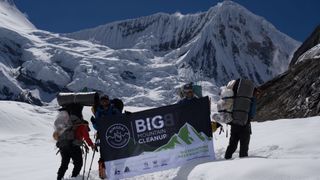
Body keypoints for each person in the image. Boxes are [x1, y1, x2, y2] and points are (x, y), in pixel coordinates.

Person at [57, 104, 96, 180]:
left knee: (64, 164)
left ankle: (59, 178)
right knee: (78, 164)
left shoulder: (65, 122)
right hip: (74, 146)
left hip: (63, 146)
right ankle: (74, 178)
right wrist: (92, 145)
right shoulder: (82, 125)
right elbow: (87, 137)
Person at [224, 87, 260, 159]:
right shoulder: (251, 100)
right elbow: (252, 113)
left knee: (232, 145)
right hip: (245, 126)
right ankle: (242, 165)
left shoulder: (237, 97)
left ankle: (226, 160)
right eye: (256, 93)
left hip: (234, 125)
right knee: (244, 147)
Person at [91, 95, 121, 179]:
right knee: (104, 156)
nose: (104, 102)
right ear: (100, 102)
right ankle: (102, 173)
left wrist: (126, 116)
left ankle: (117, 172)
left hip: (114, 136)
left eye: (105, 100)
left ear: (108, 101)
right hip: (103, 137)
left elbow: (120, 120)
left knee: (116, 155)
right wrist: (94, 123)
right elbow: (97, 127)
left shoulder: (114, 110)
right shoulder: (98, 112)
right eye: (102, 100)